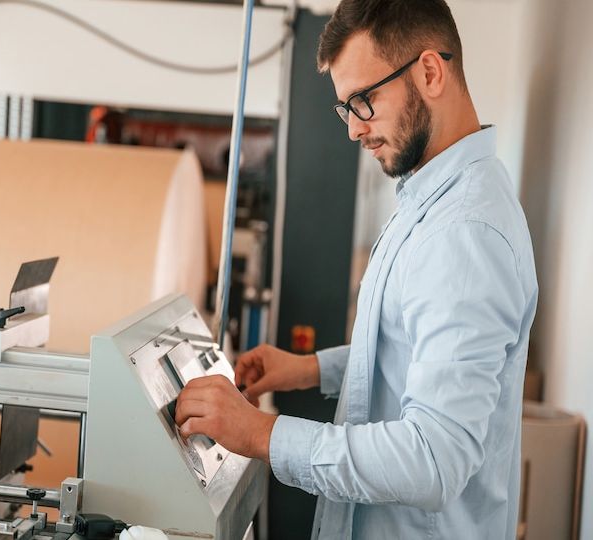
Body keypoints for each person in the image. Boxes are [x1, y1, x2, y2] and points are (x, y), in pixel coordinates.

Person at [174, 0, 538, 538]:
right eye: (346, 108)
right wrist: (306, 370)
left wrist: (261, 434)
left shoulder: (465, 235)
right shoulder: (428, 197)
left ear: (431, 72)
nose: (353, 130)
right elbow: (414, 349)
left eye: (363, 101)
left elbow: (432, 461)